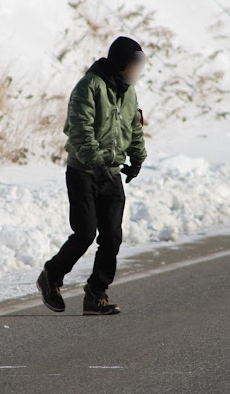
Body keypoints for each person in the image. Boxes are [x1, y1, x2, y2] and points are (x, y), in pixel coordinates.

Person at [37, 36, 148, 315]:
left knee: (112, 237)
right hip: (83, 171)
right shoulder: (89, 87)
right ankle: (51, 276)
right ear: (122, 63)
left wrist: (137, 158)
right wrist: (96, 165)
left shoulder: (129, 91)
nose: (138, 70)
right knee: (85, 233)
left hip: (110, 173)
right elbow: (80, 130)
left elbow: (134, 125)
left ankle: (96, 294)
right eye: (135, 64)